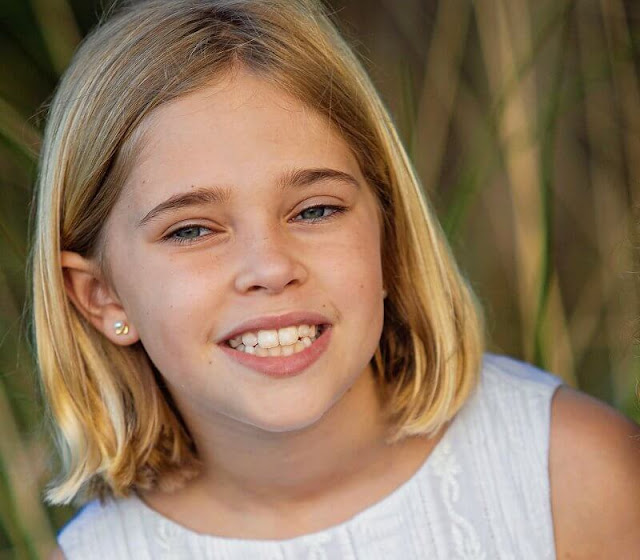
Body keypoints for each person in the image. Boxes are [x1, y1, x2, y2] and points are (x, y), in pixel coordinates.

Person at [32, 0, 639, 558]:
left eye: (315, 210)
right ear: (101, 295)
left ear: (388, 235)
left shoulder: (572, 477)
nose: (270, 268)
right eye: (192, 230)